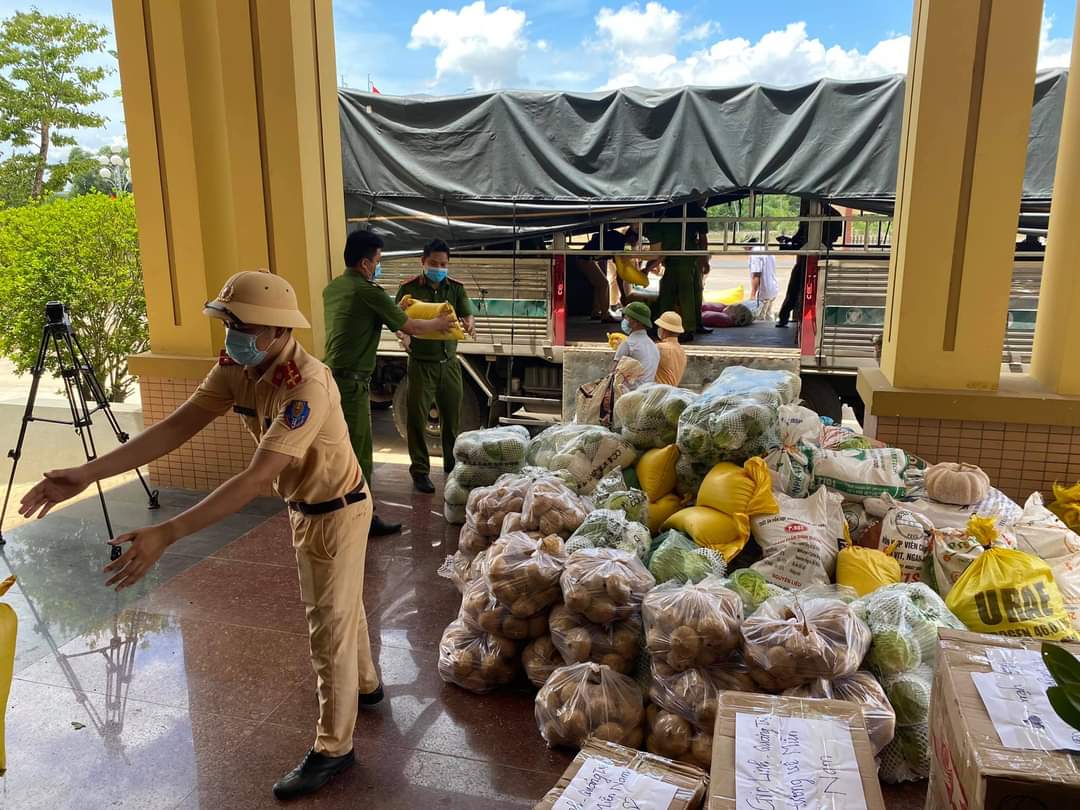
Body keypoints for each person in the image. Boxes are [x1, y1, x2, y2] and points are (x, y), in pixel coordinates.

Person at [19, 270, 383, 800]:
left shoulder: (306, 386)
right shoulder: (240, 365)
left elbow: (257, 477)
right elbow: (176, 427)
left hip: (335, 509)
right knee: (340, 603)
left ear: (280, 332)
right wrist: (86, 472)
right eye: (228, 321)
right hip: (305, 506)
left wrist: (169, 532)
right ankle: (366, 688)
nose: (231, 334)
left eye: (243, 325)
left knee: (327, 626)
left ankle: (335, 748)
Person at [324, 230, 452, 533]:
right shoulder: (368, 291)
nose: (379, 266)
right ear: (366, 264)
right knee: (359, 452)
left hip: (331, 378)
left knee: (338, 451)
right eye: (378, 261)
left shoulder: (334, 287)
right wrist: (439, 323)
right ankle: (363, 519)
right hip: (352, 384)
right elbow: (409, 325)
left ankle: (343, 512)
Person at [395, 239, 476, 494]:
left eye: (443, 264)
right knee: (417, 420)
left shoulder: (456, 288)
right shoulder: (408, 290)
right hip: (421, 365)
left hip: (450, 364)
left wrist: (470, 322)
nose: (439, 268)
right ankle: (420, 472)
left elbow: (467, 313)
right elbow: (398, 320)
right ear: (423, 262)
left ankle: (452, 468)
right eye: (434, 263)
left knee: (452, 420)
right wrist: (404, 335)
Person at [645, 206, 708, 343]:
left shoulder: (654, 225)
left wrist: (647, 268)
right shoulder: (695, 211)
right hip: (687, 257)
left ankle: (684, 328)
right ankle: (691, 325)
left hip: (681, 259)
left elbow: (659, 253)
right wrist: (703, 260)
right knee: (691, 293)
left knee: (678, 294)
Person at [613, 301, 659, 384]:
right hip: (648, 392)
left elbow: (614, 375)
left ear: (636, 322)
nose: (625, 320)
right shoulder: (653, 346)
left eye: (627, 317)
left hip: (630, 394)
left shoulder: (628, 343)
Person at [745, 238, 779, 321]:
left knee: (759, 320)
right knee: (768, 317)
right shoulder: (766, 250)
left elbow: (756, 275)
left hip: (763, 293)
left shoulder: (755, 254)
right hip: (772, 289)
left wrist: (753, 295)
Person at [653, 311, 687, 386]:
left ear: (664, 330)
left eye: (660, 327)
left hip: (658, 393)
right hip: (671, 392)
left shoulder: (660, 348)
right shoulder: (681, 351)